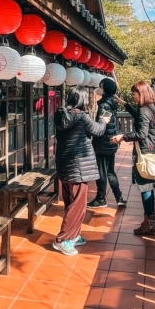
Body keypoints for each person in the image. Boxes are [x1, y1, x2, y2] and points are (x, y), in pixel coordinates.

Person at [52, 87, 110, 256]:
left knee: (70, 202)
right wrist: (104, 121)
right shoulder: (81, 116)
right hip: (78, 166)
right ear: (82, 100)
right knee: (78, 205)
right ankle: (62, 240)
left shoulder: (61, 114)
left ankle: (73, 235)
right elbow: (98, 130)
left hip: (64, 162)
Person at [112, 81, 155, 236]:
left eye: (134, 93)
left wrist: (123, 136)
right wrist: (125, 104)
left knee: (145, 187)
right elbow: (140, 118)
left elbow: (141, 134)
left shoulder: (144, 110)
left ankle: (149, 223)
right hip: (153, 149)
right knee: (148, 187)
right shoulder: (150, 107)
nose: (133, 96)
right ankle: (150, 221)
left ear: (140, 93)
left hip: (146, 153)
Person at [89, 78, 124, 209]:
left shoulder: (104, 105)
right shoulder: (112, 103)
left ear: (105, 89)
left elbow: (102, 124)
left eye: (100, 86)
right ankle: (119, 197)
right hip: (111, 141)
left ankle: (100, 198)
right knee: (110, 171)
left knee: (101, 172)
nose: (98, 89)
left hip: (103, 142)